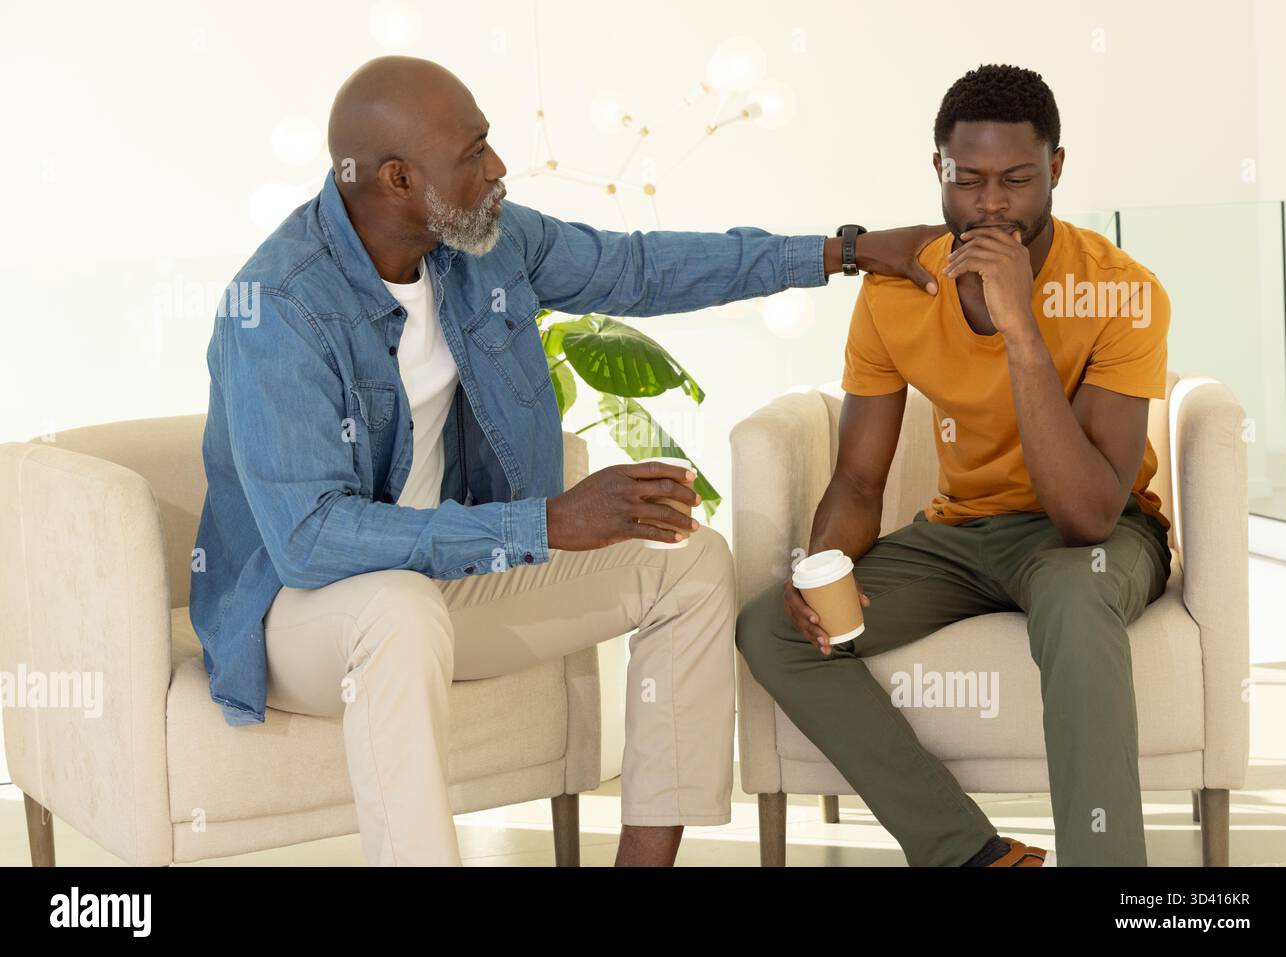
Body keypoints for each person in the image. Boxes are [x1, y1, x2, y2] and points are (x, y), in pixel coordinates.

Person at [190, 54, 946, 866]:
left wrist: (842, 252)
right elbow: (309, 541)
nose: (498, 168)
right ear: (400, 179)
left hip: (451, 585)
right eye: (474, 152)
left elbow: (638, 267)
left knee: (688, 562)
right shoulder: (278, 308)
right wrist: (545, 523)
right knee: (397, 610)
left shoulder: (483, 247)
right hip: (305, 618)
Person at [736, 64, 1173, 867]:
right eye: (968, 180)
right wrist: (823, 570)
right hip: (961, 532)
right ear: (938, 171)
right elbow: (861, 479)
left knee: (1077, 600)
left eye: (1017, 179)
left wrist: (1020, 330)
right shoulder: (897, 293)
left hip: (1098, 534)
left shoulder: (1121, 292)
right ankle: (969, 854)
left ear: (1058, 171)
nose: (992, 204)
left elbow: (1088, 516)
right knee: (772, 626)